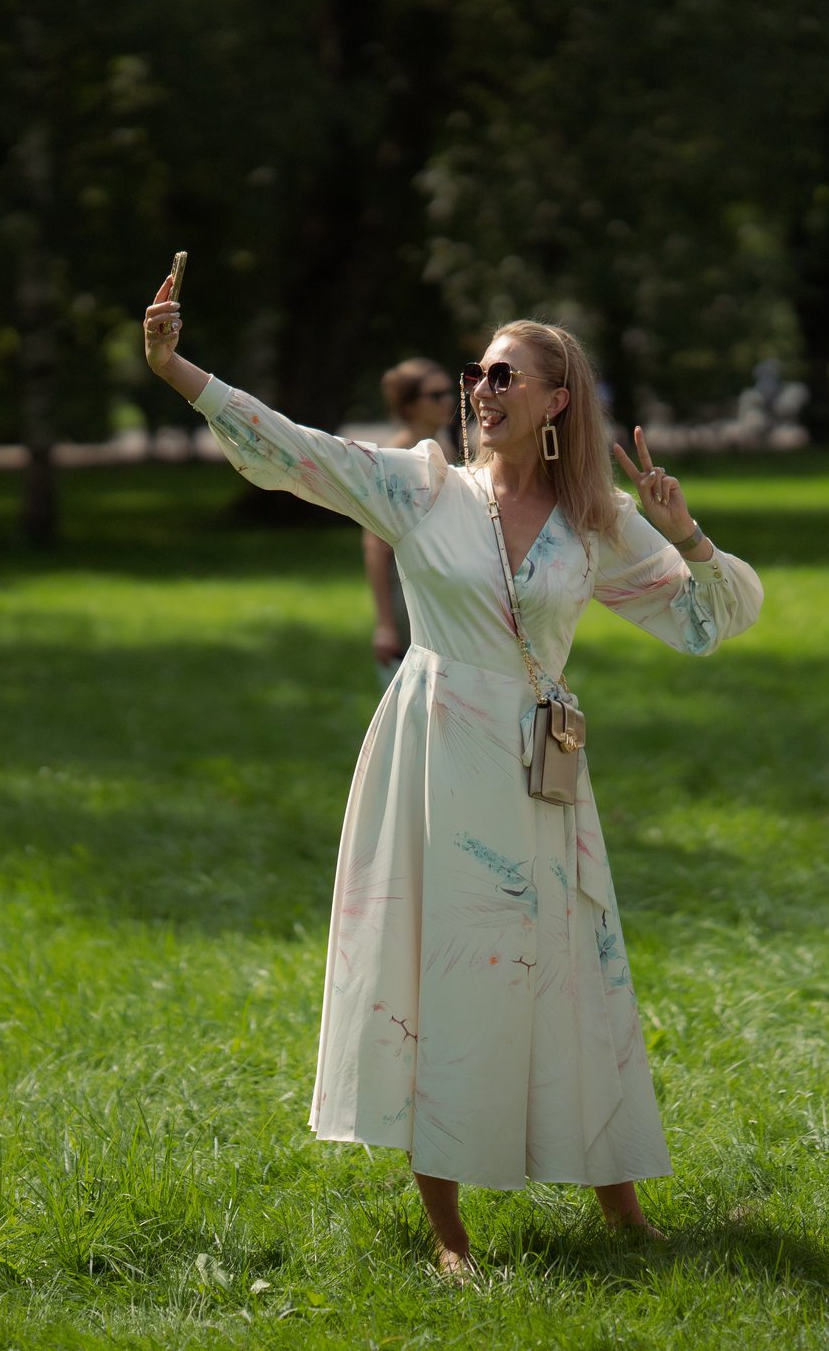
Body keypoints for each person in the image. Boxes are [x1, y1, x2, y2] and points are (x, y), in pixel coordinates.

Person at [140, 274, 764, 1277]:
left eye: (502, 373)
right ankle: (448, 1230)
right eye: (475, 371)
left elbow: (709, 621)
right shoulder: (421, 487)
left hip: (540, 769)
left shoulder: (595, 520)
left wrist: (682, 527)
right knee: (441, 971)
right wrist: (178, 370)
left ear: (557, 398)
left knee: (572, 972)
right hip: (433, 755)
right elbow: (297, 448)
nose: (480, 388)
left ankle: (624, 1208)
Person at [364, 360, 457, 682]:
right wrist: (386, 624)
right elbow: (375, 546)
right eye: (436, 395)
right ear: (409, 405)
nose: (448, 401)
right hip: (408, 594)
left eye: (449, 392)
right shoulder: (393, 458)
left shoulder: (447, 451)